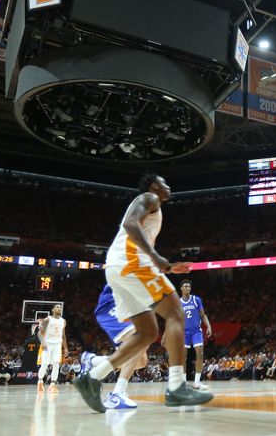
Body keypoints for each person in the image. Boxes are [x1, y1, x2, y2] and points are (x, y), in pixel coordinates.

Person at [73, 173, 212, 413]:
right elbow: (130, 225)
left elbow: (135, 232)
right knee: (176, 314)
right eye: (164, 182)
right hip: (131, 263)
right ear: (154, 186)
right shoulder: (149, 198)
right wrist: (156, 257)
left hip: (117, 269)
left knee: (147, 333)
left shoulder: (152, 207)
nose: (168, 186)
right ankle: (177, 386)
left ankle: (93, 377)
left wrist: (167, 267)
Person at [81, 285, 149, 409]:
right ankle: (117, 393)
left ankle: (93, 361)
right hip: (115, 301)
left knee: (140, 362)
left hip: (131, 304)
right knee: (143, 335)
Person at [179, 280, 212, 390]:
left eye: (189, 286)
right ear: (181, 289)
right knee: (183, 357)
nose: (188, 288)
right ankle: (183, 382)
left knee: (200, 354)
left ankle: (197, 382)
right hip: (184, 332)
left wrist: (209, 326)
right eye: (185, 286)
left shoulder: (196, 300)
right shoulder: (178, 302)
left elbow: (203, 315)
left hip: (196, 331)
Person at [37, 304, 68, 392]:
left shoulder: (63, 321)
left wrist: (65, 348)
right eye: (57, 307)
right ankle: (40, 382)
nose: (59, 308)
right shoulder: (48, 319)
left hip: (57, 345)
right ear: (53, 310)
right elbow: (39, 333)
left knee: (56, 365)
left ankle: (52, 385)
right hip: (48, 344)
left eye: (60, 307)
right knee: (45, 364)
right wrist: (43, 342)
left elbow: (63, 335)